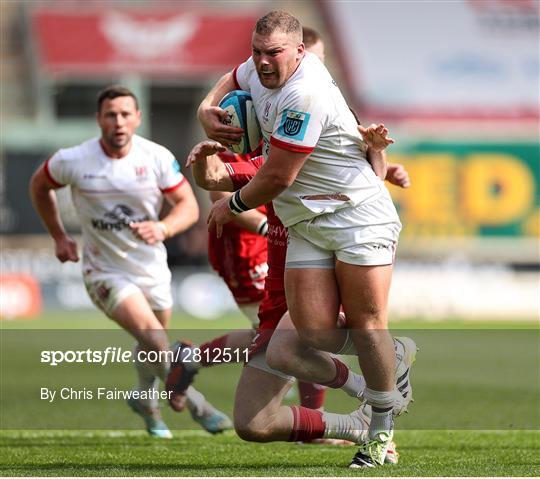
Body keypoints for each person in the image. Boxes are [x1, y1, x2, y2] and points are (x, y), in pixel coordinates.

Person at [196, 11, 406, 467]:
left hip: (355, 217)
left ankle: (380, 427)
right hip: (305, 223)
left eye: (273, 53)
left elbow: (276, 176)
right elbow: (230, 78)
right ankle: (385, 365)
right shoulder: (255, 68)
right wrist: (204, 109)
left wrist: (227, 206)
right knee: (312, 332)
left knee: (369, 325)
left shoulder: (303, 94)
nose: (263, 63)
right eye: (257, 52)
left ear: (299, 52)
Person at [29, 85, 232, 439]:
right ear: (99, 120)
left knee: (153, 345)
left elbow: (189, 206)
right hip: (103, 271)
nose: (118, 122)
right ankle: (198, 405)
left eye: (125, 114)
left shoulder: (154, 158)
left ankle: (144, 400)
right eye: (111, 115)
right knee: (155, 339)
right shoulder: (74, 160)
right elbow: (39, 185)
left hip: (151, 268)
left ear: (137, 118)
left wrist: (163, 227)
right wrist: (59, 235)